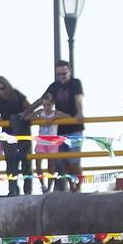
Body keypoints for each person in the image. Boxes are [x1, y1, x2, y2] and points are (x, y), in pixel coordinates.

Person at [0, 76, 33, 196]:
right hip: (7, 132)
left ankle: (28, 190)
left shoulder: (16, 94)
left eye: (2, 88)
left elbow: (29, 108)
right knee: (11, 160)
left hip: (23, 130)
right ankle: (13, 190)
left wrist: (22, 116)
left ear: (7, 86)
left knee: (25, 160)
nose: (0, 92)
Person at [42, 60, 84, 191]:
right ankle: (71, 186)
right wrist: (27, 112)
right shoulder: (54, 86)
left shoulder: (75, 83)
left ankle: (77, 185)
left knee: (73, 161)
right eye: (59, 74)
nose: (62, 77)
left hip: (75, 129)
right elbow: (42, 100)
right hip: (59, 130)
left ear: (69, 71)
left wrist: (80, 113)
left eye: (64, 73)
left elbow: (78, 98)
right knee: (62, 162)